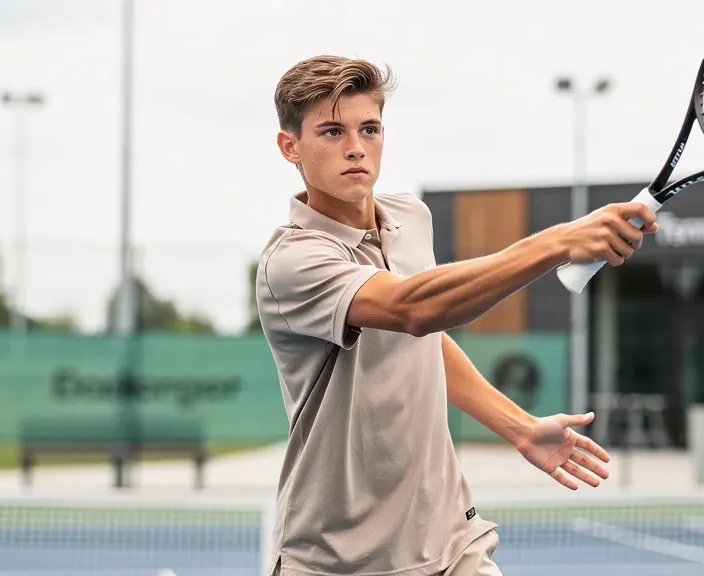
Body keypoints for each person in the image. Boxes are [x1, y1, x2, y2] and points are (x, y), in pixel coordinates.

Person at [255, 55, 659, 576]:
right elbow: (414, 310)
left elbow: (426, 341)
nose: (355, 146)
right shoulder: (291, 263)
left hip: (450, 540)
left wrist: (519, 426)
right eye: (331, 131)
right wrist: (558, 242)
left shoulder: (410, 217)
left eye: (369, 128)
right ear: (291, 146)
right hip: (338, 558)